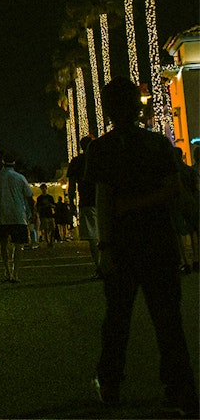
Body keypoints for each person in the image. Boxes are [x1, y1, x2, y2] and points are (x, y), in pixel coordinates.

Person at [86, 77, 198, 415]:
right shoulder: (157, 145)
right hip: (159, 242)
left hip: (121, 246)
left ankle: (111, 384)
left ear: (106, 109)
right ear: (138, 106)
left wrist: (105, 246)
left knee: (117, 320)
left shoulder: (100, 148)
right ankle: (180, 391)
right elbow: (172, 188)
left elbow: (103, 199)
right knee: (168, 321)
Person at [0, 157, 34, 283]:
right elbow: (29, 197)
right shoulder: (20, 178)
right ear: (14, 163)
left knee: (3, 244)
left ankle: (7, 271)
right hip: (18, 215)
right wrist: (31, 213)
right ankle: (15, 273)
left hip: (1, 215)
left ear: (2, 163)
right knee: (18, 245)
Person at [69, 135, 100, 277]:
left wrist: (71, 203)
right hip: (103, 199)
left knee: (93, 236)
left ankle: (99, 265)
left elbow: (71, 187)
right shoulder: (99, 160)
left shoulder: (76, 162)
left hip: (87, 202)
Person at [35, 184, 56, 250]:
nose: (44, 190)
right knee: (46, 229)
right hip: (44, 215)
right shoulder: (39, 198)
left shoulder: (50, 197)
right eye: (42, 189)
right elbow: (38, 207)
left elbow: (54, 205)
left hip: (49, 214)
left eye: (44, 188)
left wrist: (50, 205)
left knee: (52, 228)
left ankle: (50, 240)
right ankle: (48, 241)